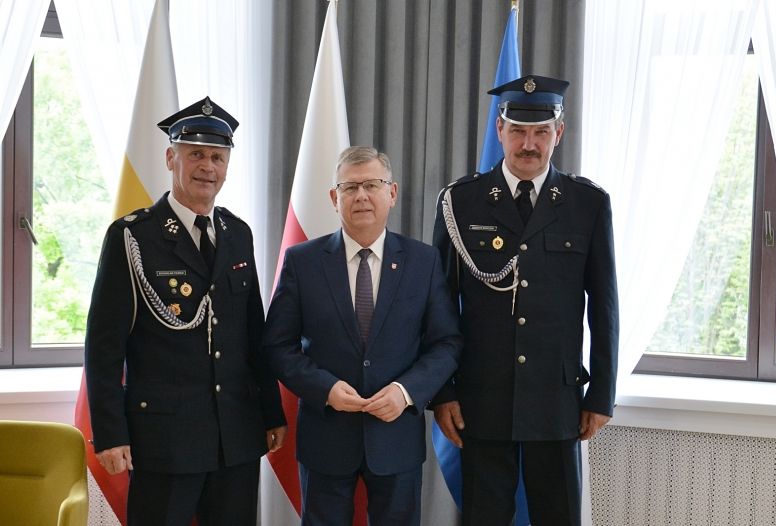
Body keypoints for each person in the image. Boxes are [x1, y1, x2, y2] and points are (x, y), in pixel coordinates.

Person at [85, 96, 287, 526]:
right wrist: (110, 433)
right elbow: (104, 347)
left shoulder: (237, 232)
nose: (207, 167)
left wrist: (271, 411)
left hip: (235, 435)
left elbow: (255, 334)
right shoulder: (133, 237)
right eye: (195, 154)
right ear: (170, 158)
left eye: (218, 156)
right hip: (165, 439)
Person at [431, 74, 619, 526]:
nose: (528, 144)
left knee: (558, 517)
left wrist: (602, 396)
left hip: (556, 401)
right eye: (517, 131)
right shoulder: (461, 202)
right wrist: (443, 391)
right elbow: (438, 305)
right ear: (499, 131)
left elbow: (606, 307)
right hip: (482, 398)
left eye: (540, 132)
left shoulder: (587, 203)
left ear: (559, 132)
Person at [264, 146, 462, 526]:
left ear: (392, 193)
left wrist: (405, 392)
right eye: (350, 187)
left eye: (372, 185)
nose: (361, 196)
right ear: (334, 197)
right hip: (326, 438)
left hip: (396, 437)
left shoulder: (423, 262)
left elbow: (447, 342)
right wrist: (325, 389)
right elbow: (277, 345)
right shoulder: (302, 261)